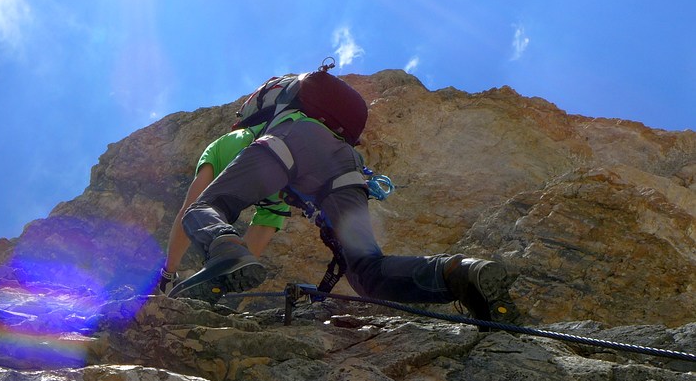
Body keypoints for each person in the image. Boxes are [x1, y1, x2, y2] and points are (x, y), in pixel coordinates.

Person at [171, 69, 522, 324]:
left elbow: (199, 206)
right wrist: (229, 278)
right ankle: (459, 273)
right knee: (368, 273)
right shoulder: (325, 139)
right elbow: (255, 244)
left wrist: (170, 274)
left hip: (292, 144)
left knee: (205, 207)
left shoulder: (242, 137)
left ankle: (218, 248)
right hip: (347, 167)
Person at [158, 126, 286, 294]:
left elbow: (191, 207)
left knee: (196, 207)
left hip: (237, 144)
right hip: (289, 162)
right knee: (244, 256)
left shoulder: (225, 143)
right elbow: (263, 227)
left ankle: (168, 277)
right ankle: (219, 276)